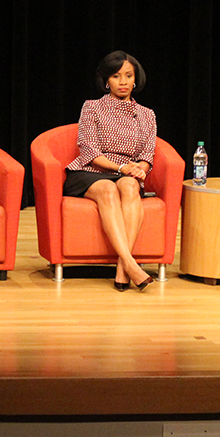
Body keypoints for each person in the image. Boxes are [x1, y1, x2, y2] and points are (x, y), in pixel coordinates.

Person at [63, 50, 157, 292]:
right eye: (116, 76)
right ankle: (130, 264)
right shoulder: (92, 107)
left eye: (128, 76)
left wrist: (139, 169)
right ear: (107, 80)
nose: (123, 82)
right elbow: (90, 150)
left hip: (127, 174)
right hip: (90, 171)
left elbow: (148, 153)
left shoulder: (147, 115)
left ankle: (121, 268)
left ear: (136, 79)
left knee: (129, 185)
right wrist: (122, 166)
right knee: (107, 189)